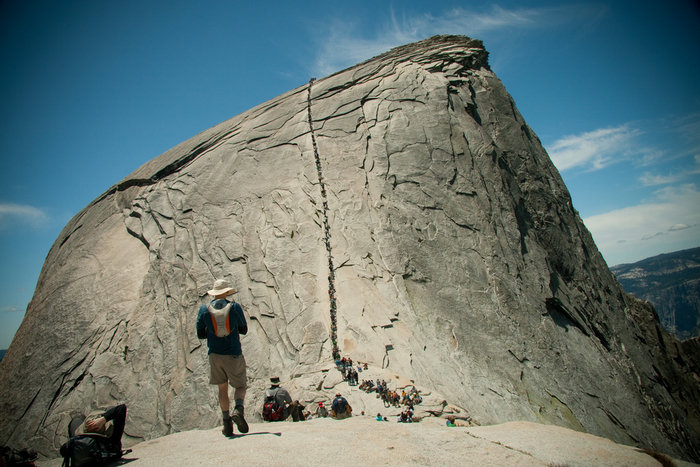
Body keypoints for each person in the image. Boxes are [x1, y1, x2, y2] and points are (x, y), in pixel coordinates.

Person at [196, 279, 249, 436]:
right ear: (226, 293)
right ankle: (238, 409)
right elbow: (244, 329)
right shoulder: (234, 307)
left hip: (214, 354)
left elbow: (200, 334)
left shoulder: (203, 310)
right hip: (233, 353)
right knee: (240, 385)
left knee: (222, 388)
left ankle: (226, 424)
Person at [61, 404, 128, 461]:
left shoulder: (77, 443)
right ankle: (104, 418)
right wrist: (103, 420)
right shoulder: (112, 440)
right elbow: (121, 408)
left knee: (76, 421)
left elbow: (62, 451)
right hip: (107, 450)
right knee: (111, 408)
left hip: (82, 455)